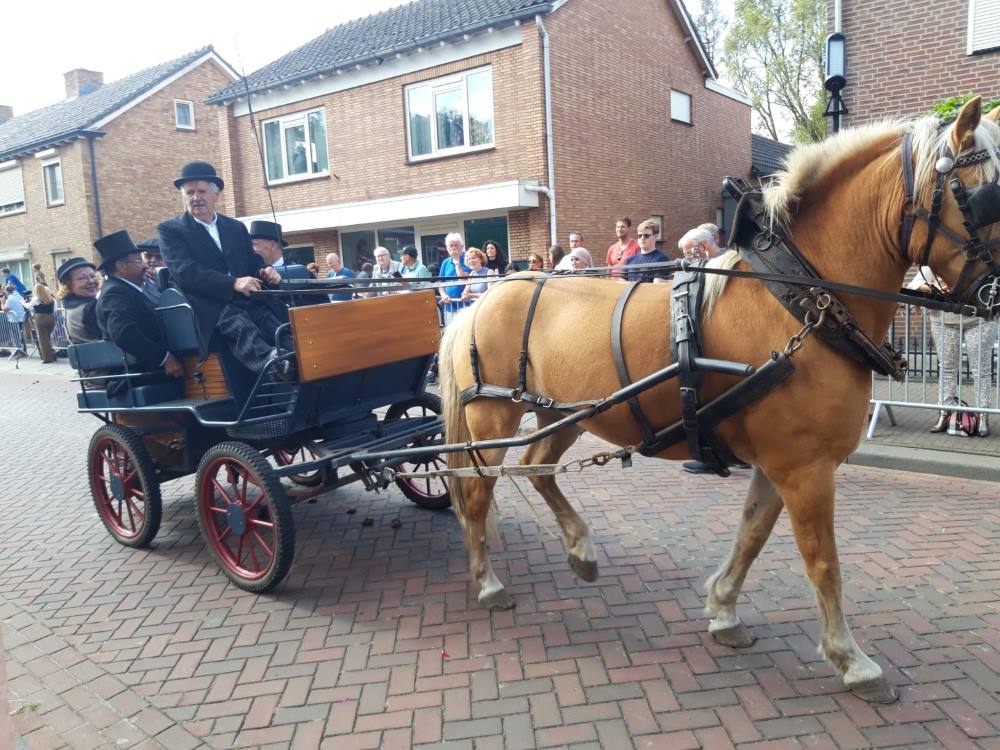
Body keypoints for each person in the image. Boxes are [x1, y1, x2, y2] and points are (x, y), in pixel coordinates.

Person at [158, 161, 292, 376]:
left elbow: (252, 262)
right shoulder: (171, 230)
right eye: (190, 192)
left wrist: (265, 271)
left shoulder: (235, 227)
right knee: (233, 318)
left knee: (268, 315)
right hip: (206, 300)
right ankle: (271, 362)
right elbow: (184, 271)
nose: (195, 197)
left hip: (245, 297)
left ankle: (298, 356)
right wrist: (233, 283)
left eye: (201, 191)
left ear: (216, 195)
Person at [908, 267, 995, 437]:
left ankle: (983, 415)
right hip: (943, 319)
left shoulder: (981, 259)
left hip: (980, 318)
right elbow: (914, 285)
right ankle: (944, 412)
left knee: (981, 369)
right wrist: (935, 288)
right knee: (947, 368)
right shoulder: (939, 259)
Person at [93, 230, 184, 387]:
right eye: (139, 261)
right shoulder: (116, 293)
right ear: (122, 266)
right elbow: (124, 333)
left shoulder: (128, 288)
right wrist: (164, 358)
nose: (145, 265)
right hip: (143, 372)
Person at [56, 257, 101, 343]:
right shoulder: (90, 308)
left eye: (92, 276)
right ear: (68, 285)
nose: (91, 281)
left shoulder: (70, 305)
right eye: (82, 278)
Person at [621, 219, 670, 283]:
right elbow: (622, 283)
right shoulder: (629, 260)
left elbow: (658, 283)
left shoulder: (662, 259)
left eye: (646, 235)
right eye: (639, 236)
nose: (642, 238)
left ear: (655, 236)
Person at [439, 233, 471, 320]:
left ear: (462, 246)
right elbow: (441, 283)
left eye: (456, 245)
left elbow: (463, 280)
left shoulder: (468, 260)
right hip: (449, 306)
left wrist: (457, 262)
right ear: (447, 248)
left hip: (465, 305)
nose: (453, 248)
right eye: (451, 246)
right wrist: (443, 295)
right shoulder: (445, 262)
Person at [29, 273, 57, 363]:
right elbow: (55, 309)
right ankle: (53, 354)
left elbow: (28, 306)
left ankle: (47, 358)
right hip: (51, 318)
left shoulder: (36, 299)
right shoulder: (51, 299)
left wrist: (22, 303)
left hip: (41, 319)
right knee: (48, 338)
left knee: (43, 340)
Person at [136, 237, 167, 305]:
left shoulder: (177, 280)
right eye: (148, 256)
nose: (153, 260)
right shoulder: (137, 281)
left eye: (159, 256)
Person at [2, 283, 28, 356]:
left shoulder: (10, 299)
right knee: (20, 334)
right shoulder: (19, 296)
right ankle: (23, 349)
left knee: (16, 335)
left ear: (7, 292)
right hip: (21, 318)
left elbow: (5, 309)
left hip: (14, 319)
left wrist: (2, 303)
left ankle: (19, 350)